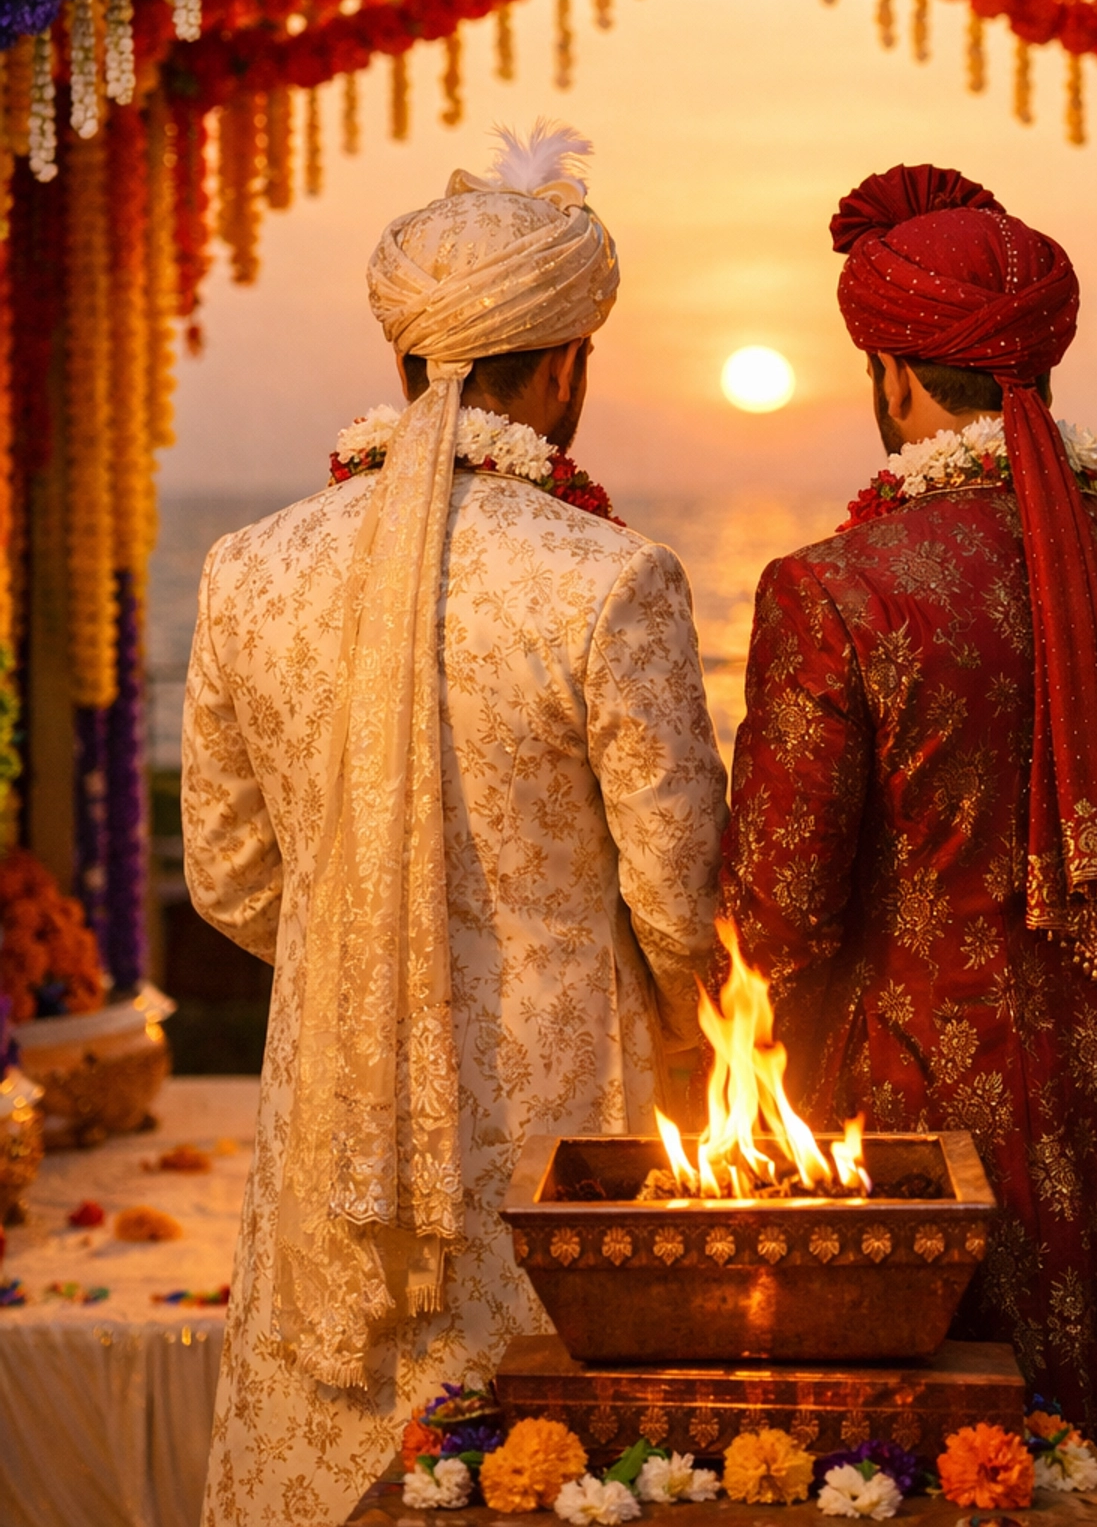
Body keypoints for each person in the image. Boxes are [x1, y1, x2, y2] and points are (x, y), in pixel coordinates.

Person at [720, 163, 1097, 1527]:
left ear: (894, 375)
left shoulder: (836, 593)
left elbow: (776, 912)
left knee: (939, 1471)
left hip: (922, 1129)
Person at [183, 122, 727, 1527]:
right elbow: (681, 895)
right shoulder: (611, 581)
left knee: (333, 1416)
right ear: (563, 370)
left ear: (410, 361)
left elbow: (230, 879)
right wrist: (682, 1038)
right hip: (559, 1106)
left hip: (330, 1102)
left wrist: (355, 962)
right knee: (550, 1463)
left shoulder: (250, 573)